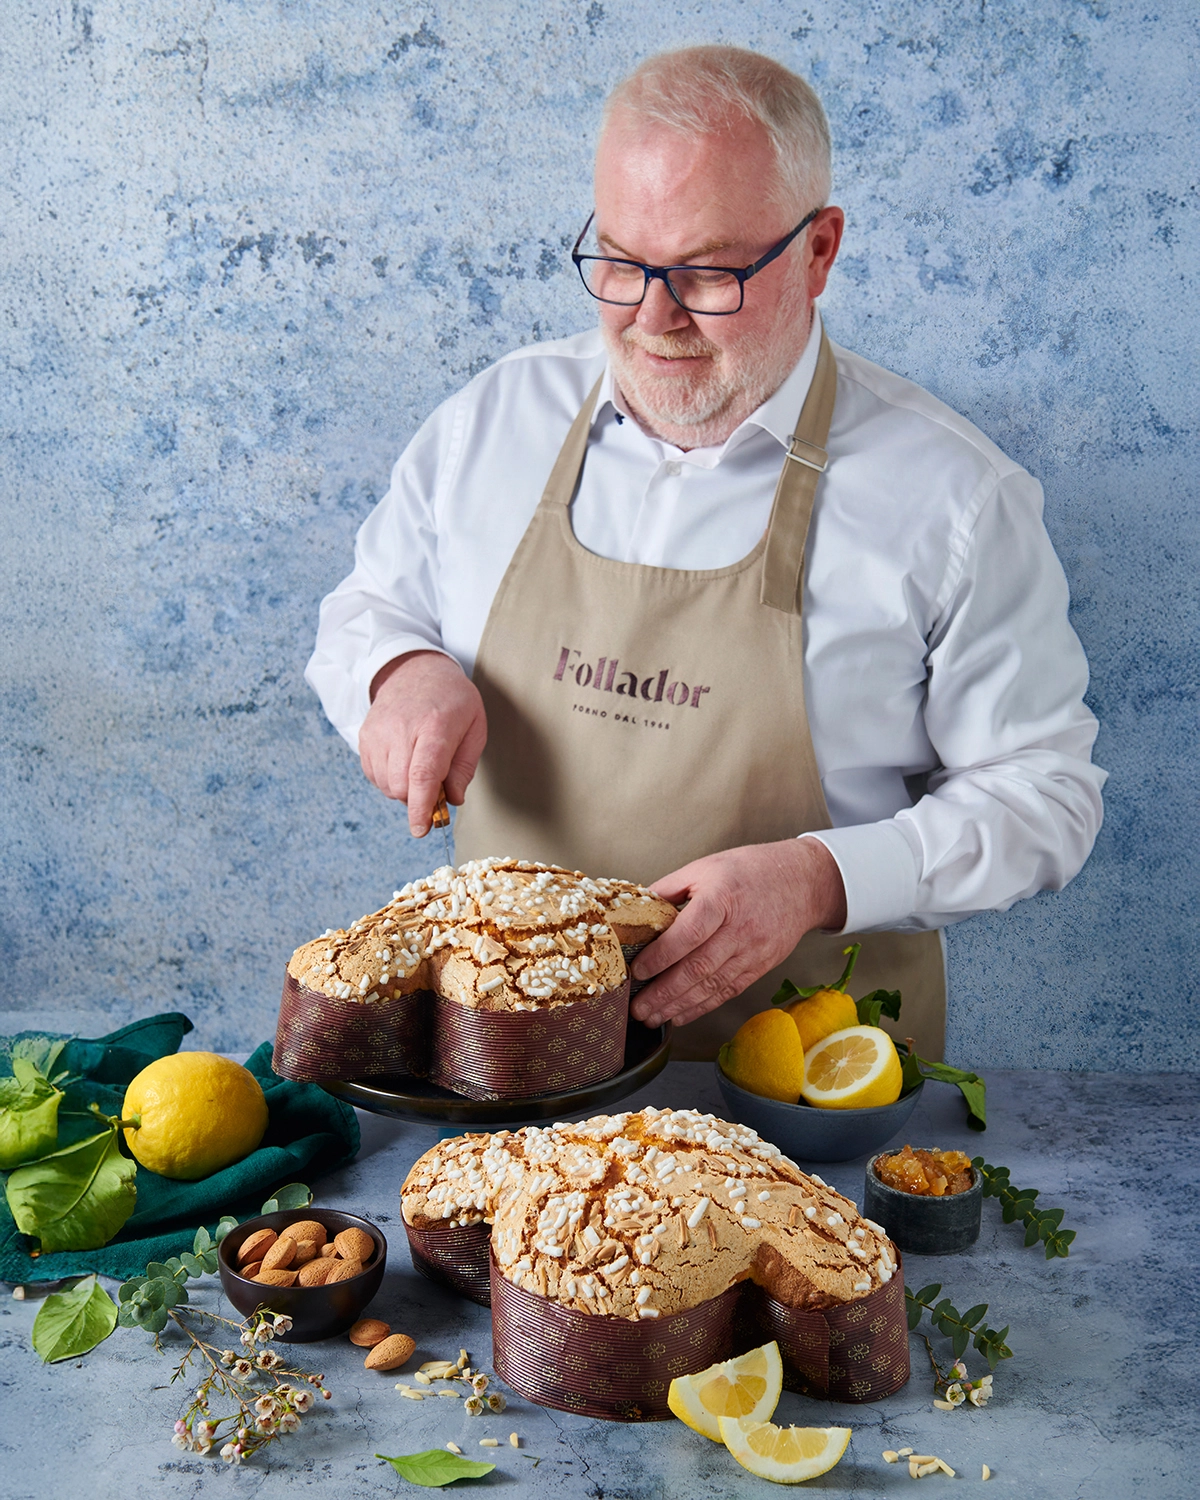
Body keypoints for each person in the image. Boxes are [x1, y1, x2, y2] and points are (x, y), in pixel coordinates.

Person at [306, 46, 1105, 1061]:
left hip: (802, 1095)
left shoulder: (954, 497)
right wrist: (401, 670)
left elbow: (1045, 795)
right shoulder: (492, 423)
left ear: (819, 251)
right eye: (619, 261)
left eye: (708, 272)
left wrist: (820, 879)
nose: (653, 317)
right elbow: (367, 609)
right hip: (506, 1086)